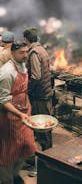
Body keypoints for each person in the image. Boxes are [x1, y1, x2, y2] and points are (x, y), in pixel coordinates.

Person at [0, 41, 37, 184]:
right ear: (12, 53)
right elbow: (3, 100)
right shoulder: (7, 72)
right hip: (10, 117)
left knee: (27, 146)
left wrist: (27, 106)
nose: (25, 55)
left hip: (23, 113)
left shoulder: (21, 65)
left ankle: (15, 174)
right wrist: (20, 114)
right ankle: (6, 179)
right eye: (22, 52)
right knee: (8, 151)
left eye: (27, 52)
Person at [23, 27, 53, 150]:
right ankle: (49, 154)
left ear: (26, 39)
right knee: (46, 126)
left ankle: (46, 158)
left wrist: (28, 90)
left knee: (41, 127)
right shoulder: (42, 49)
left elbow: (36, 76)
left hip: (39, 96)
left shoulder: (34, 52)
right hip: (46, 93)